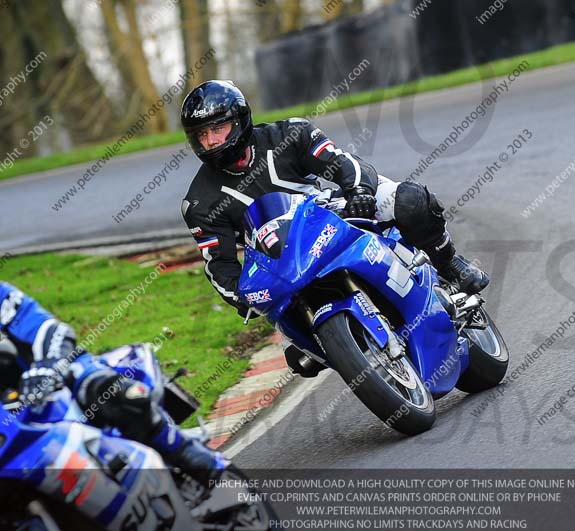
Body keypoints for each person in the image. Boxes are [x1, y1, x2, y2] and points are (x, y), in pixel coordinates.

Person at [179, 80, 490, 376]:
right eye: (201, 135)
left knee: (407, 200)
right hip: (280, 260)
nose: (211, 141)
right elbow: (219, 265)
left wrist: (359, 192)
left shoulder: (291, 134)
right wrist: (243, 298)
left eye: (218, 128)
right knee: (289, 338)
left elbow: (342, 163)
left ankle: (449, 263)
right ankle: (325, 344)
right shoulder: (199, 203)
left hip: (331, 214)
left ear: (240, 119)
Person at [0, 282, 225, 481]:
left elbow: (49, 329)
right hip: (11, 422)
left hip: (59, 379)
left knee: (114, 394)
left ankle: (198, 460)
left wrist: (46, 368)